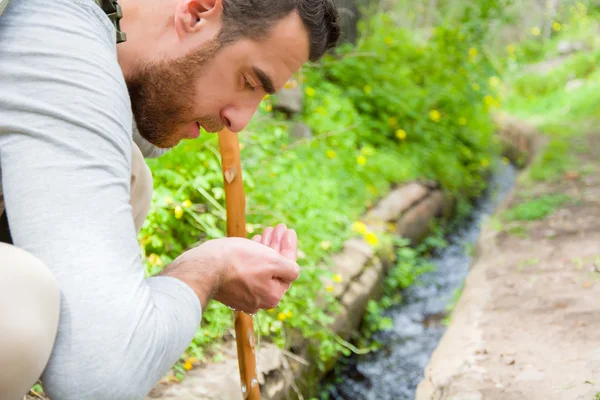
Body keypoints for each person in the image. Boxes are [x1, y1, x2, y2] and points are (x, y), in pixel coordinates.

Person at [0, 0, 340, 397]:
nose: (240, 121)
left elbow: (144, 130)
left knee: (131, 179)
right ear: (196, 13)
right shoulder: (58, 36)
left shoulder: (91, 35)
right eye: (249, 81)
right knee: (19, 301)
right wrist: (209, 269)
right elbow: (100, 381)